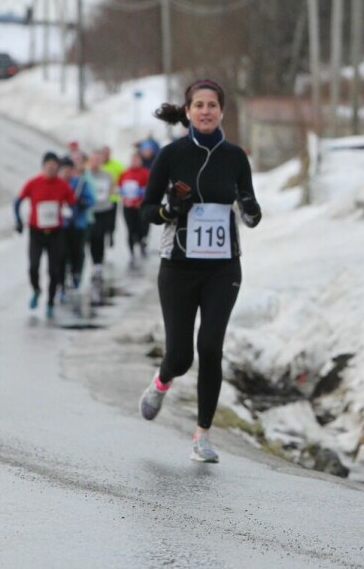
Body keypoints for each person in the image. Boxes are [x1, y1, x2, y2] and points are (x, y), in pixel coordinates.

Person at [138, 79, 262, 463]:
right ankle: (161, 382)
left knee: (210, 347)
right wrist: (169, 211)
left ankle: (202, 435)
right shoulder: (171, 155)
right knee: (181, 356)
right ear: (188, 112)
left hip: (223, 268)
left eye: (212, 105)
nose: (206, 111)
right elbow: (145, 210)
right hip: (178, 267)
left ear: (222, 111)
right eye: (199, 105)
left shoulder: (235, 157)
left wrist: (251, 210)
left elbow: (251, 208)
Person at [14, 151, 77, 319]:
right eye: (48, 165)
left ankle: (50, 301)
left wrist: (70, 216)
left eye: (54, 165)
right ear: (43, 166)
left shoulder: (63, 185)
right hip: (36, 232)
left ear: (57, 167)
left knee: (54, 270)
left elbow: (72, 204)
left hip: (56, 233)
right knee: (33, 266)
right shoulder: (33, 183)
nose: (51, 168)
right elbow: (17, 201)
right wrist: (18, 221)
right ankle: (36, 289)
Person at [59, 156, 95, 297]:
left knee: (77, 252)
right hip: (62, 225)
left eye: (69, 170)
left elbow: (91, 200)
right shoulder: (58, 184)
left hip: (78, 224)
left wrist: (82, 203)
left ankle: (76, 274)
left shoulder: (80, 183)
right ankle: (62, 282)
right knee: (62, 254)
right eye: (64, 170)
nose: (66, 173)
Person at [87, 151, 116, 304]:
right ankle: (94, 262)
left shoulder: (107, 175)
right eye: (93, 160)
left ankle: (99, 263)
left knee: (101, 237)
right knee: (93, 238)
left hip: (105, 210)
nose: (95, 162)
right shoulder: (85, 176)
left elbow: (112, 190)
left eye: (97, 160)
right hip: (91, 212)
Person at [118, 151, 150, 267]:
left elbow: (150, 189)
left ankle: (142, 241)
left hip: (141, 207)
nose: (134, 162)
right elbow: (119, 187)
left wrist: (142, 201)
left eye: (137, 160)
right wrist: (123, 197)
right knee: (130, 230)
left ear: (140, 161)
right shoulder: (124, 173)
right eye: (133, 160)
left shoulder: (145, 173)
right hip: (128, 207)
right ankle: (131, 253)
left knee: (142, 228)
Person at [99, 145, 124, 248]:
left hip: (112, 199)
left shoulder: (117, 165)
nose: (105, 155)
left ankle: (111, 235)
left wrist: (117, 188)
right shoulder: (97, 165)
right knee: (100, 225)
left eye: (107, 153)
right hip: (99, 200)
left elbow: (124, 178)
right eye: (103, 153)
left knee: (111, 222)